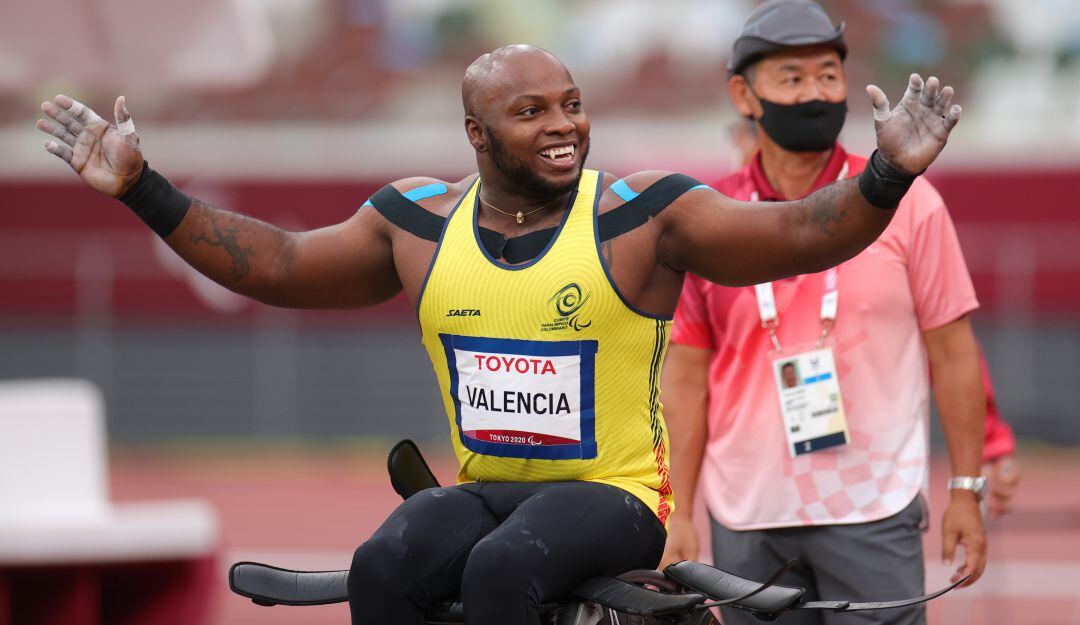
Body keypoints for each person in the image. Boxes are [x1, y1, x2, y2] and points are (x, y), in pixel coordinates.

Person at [36, 43, 962, 625]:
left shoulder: (644, 216)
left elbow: (802, 235)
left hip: (612, 497)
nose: (564, 126)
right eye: (533, 113)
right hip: (492, 491)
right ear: (477, 133)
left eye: (572, 104)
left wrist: (886, 173)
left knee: (502, 570)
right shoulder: (415, 223)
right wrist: (141, 190)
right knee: (386, 560)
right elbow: (275, 265)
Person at [659, 3, 991, 624]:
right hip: (747, 514)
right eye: (791, 78)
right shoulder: (709, 218)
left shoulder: (909, 204)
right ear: (744, 94)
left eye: (828, 76)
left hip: (873, 506)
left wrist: (966, 491)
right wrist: (677, 509)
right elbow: (685, 377)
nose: (815, 92)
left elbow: (953, 353)